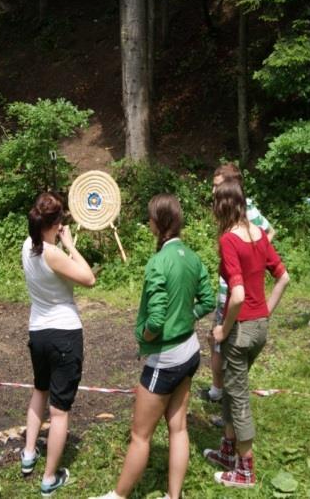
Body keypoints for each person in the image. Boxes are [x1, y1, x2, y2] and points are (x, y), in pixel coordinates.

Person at [90, 194, 215, 499]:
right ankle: (174, 496)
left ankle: (117, 496)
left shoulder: (158, 262)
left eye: (150, 218)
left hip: (167, 357)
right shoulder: (191, 256)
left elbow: (157, 320)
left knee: (140, 435)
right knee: (179, 427)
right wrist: (188, 316)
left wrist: (146, 336)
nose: (148, 223)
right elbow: (209, 300)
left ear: (158, 223)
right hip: (190, 351)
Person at [204, 180, 289, 488]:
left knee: (238, 399)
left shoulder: (229, 240)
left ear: (223, 206)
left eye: (215, 203)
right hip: (259, 330)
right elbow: (284, 277)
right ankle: (228, 453)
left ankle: (245, 471)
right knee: (230, 386)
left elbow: (237, 295)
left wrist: (222, 330)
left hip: (239, 333)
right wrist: (264, 312)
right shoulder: (257, 234)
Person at [20, 192, 95, 497]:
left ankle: (28, 455)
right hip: (63, 334)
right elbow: (89, 278)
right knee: (60, 410)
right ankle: (49, 477)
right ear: (56, 223)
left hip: (38, 332)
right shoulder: (52, 253)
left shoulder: (27, 246)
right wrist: (71, 246)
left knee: (39, 390)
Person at [202, 163, 275, 403]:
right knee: (219, 342)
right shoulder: (235, 212)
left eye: (217, 187)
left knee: (220, 341)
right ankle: (222, 392)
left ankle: (222, 394)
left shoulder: (247, 211)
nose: (213, 193)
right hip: (230, 290)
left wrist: (253, 263)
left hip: (235, 295)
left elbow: (268, 232)